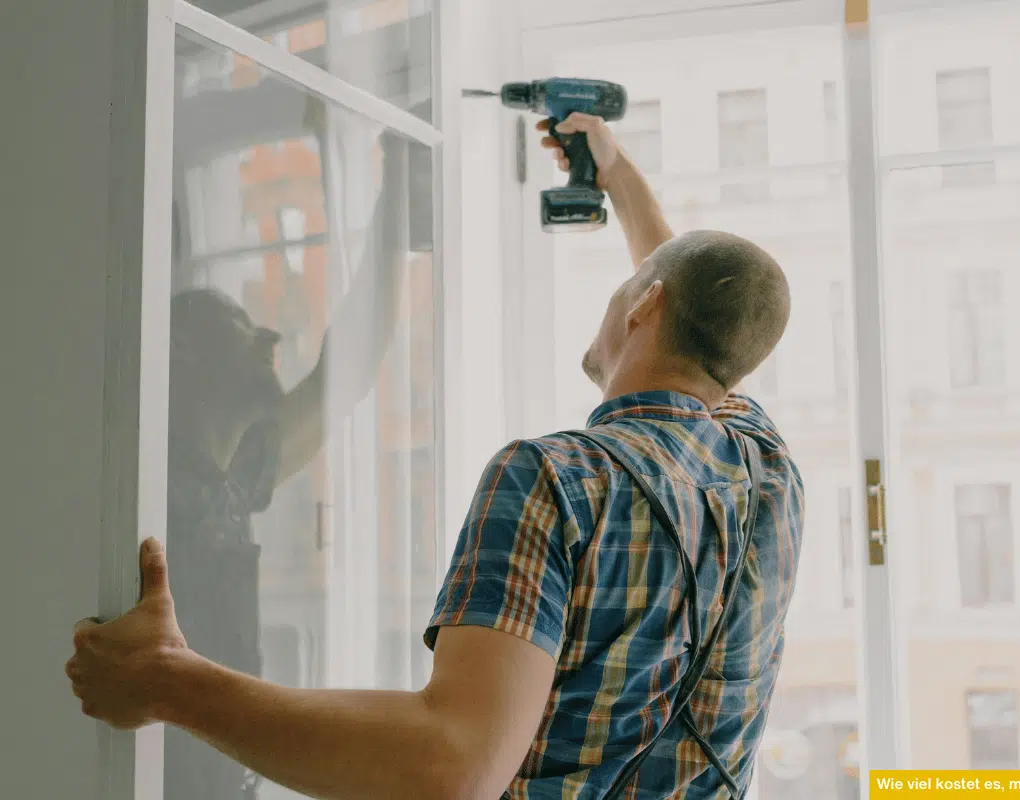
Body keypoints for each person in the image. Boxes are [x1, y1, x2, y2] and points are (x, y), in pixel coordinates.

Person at [67, 110, 804, 800]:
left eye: (631, 296)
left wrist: (168, 683)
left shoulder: (557, 480)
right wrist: (615, 177)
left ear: (642, 308)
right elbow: (708, 327)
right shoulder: (767, 470)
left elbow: (455, 766)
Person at [163, 98, 409, 799]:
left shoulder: (236, 474)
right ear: (182, 348)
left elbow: (347, 372)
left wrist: (396, 194)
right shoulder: (144, 487)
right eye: (239, 323)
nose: (269, 335)